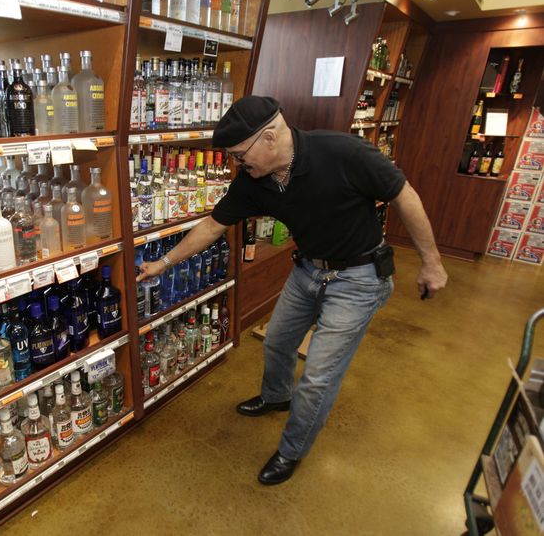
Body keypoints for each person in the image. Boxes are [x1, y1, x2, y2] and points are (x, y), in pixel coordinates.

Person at [137, 96, 448, 485]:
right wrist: (163, 263)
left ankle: (291, 451)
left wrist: (431, 261)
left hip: (359, 277)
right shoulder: (255, 180)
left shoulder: (344, 152)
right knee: (277, 342)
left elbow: (405, 195)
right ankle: (277, 396)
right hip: (308, 270)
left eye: (238, 154)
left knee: (318, 375)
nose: (237, 163)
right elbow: (213, 226)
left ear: (268, 138)